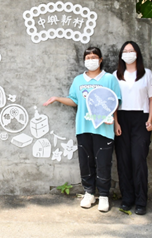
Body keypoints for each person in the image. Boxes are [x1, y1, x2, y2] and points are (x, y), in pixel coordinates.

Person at [44, 47, 121, 212]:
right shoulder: (79, 80)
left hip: (104, 127)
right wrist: (58, 98)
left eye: (94, 57)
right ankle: (89, 193)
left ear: (100, 60)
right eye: (88, 57)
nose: (91, 60)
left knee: (103, 162)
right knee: (85, 161)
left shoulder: (109, 79)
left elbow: (115, 102)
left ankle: (104, 195)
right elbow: (74, 100)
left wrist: (116, 122)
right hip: (83, 127)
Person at [113, 41, 152, 215]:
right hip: (122, 118)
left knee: (138, 159)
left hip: (141, 118)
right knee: (123, 161)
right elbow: (113, 102)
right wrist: (116, 122)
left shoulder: (146, 74)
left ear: (137, 54)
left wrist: (150, 119)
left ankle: (140, 201)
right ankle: (127, 199)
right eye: (125, 51)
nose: (128, 53)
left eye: (131, 50)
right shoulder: (115, 75)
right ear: (121, 55)